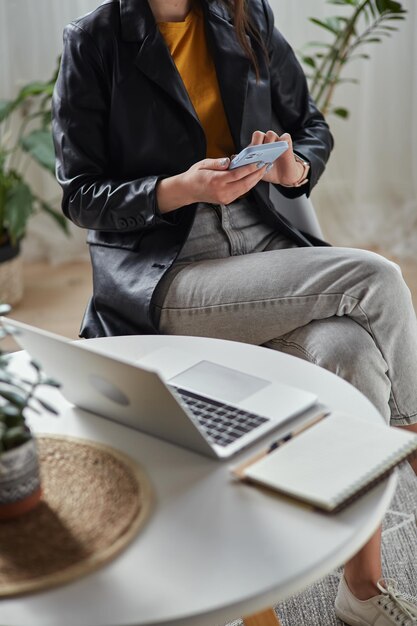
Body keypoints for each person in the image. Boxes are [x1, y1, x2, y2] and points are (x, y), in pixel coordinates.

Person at [51, 0, 417, 623]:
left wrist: (289, 164)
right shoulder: (94, 39)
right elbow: (81, 193)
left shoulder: (242, 13)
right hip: (168, 270)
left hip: (264, 244)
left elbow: (308, 125)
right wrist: (180, 188)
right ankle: (409, 436)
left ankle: (360, 593)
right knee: (375, 277)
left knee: (353, 353)